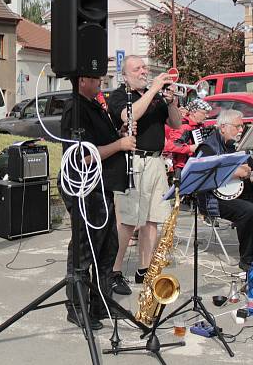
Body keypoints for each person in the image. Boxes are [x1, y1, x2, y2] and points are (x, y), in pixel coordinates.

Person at [61, 75, 135, 330]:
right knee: (84, 250)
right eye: (96, 80)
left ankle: (101, 302)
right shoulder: (76, 109)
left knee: (107, 249)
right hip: (87, 189)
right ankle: (77, 306)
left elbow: (101, 142)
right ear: (82, 81)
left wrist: (119, 135)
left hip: (104, 188)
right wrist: (120, 144)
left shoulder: (94, 105)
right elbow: (84, 157)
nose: (100, 84)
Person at [107, 55, 180, 295]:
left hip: (156, 161)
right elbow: (130, 116)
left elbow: (177, 124)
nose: (143, 72)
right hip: (133, 161)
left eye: (144, 67)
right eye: (137, 69)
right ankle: (114, 271)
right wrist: (155, 90)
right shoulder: (119, 95)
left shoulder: (155, 95)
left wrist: (170, 102)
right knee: (128, 221)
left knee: (152, 219)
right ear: (125, 75)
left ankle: (144, 269)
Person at [195, 109, 253, 271]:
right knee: (247, 210)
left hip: (245, 193)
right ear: (223, 127)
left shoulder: (239, 146)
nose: (240, 130)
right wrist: (232, 172)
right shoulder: (208, 148)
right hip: (215, 199)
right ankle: (248, 259)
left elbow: (252, 169)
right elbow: (201, 177)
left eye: (242, 127)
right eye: (237, 127)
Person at [165, 99, 213, 177]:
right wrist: (190, 148)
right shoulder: (182, 126)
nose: (207, 116)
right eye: (205, 113)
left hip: (197, 165)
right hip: (182, 168)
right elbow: (171, 146)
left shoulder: (200, 126)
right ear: (194, 113)